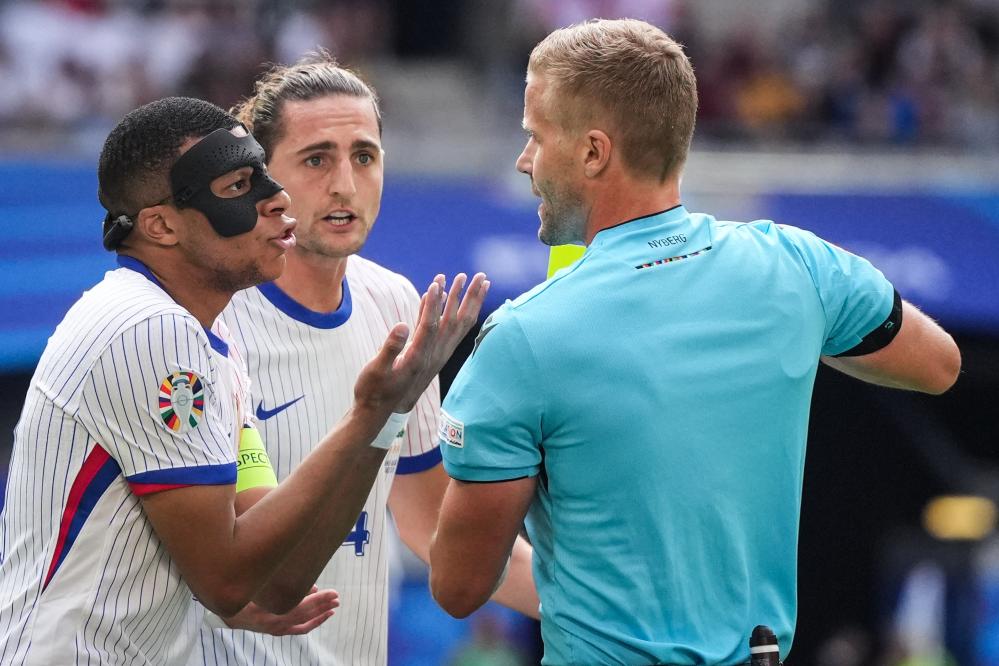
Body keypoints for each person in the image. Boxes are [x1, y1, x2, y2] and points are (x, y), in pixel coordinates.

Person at [429, 18, 962, 665]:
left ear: (594, 152)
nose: (523, 161)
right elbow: (939, 364)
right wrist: (784, 333)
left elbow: (457, 586)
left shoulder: (522, 337)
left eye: (535, 138)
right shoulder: (796, 265)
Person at [0, 96, 487, 665]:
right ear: (160, 225)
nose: (276, 199)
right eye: (237, 186)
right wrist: (366, 417)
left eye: (262, 175)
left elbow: (277, 580)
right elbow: (232, 582)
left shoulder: (210, 340)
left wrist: (381, 420)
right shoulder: (149, 329)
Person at [188, 54, 538, 665]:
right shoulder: (207, 321)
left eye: (364, 156)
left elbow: (433, 526)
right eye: (316, 159)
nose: (345, 185)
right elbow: (235, 566)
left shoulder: (393, 303)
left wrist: (600, 605)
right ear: (258, 180)